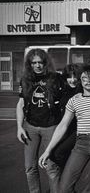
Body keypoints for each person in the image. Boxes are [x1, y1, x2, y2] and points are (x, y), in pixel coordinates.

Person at [38, 63, 90, 193]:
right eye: (84, 78)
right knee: (64, 188)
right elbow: (63, 125)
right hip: (81, 145)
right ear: (80, 80)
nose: (88, 82)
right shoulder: (74, 100)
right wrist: (48, 150)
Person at [16, 48, 63, 193]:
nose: (37, 65)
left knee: (51, 167)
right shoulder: (25, 80)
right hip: (30, 127)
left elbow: (66, 100)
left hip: (51, 127)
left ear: (45, 63)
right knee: (30, 167)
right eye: (34, 63)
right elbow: (21, 104)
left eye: (40, 62)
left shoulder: (55, 78)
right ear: (29, 64)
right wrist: (19, 127)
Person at [50, 64, 80, 169]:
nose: (72, 80)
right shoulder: (63, 91)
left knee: (58, 152)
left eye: (75, 76)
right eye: (69, 76)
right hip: (64, 128)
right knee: (56, 153)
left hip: (78, 130)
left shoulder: (82, 92)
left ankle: (67, 177)